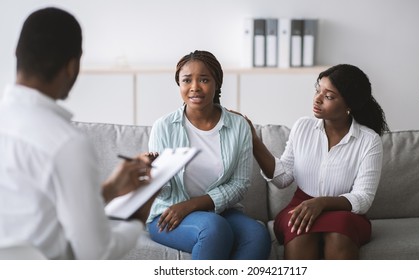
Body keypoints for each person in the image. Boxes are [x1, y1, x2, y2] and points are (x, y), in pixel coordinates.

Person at [0, 7, 154, 259]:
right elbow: (97, 254)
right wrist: (138, 217)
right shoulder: (66, 143)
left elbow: (39, 212)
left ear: (17, 53)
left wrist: (110, 189)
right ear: (72, 66)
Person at [238, 64, 388, 259]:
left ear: (349, 105)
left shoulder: (369, 141)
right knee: (300, 232)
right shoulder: (302, 127)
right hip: (301, 205)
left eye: (329, 96)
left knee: (339, 234)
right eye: (318, 90)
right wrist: (254, 140)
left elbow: (363, 198)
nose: (317, 99)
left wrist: (321, 203)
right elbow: (283, 178)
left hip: (344, 213)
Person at [146, 50, 271, 259]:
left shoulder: (239, 126)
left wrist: (191, 205)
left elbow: (240, 184)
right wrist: (153, 174)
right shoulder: (164, 126)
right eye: (187, 80)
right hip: (168, 213)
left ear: (217, 83)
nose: (195, 87)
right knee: (213, 229)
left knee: (257, 235)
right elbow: (163, 193)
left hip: (220, 212)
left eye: (204, 79)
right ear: (179, 85)